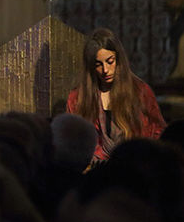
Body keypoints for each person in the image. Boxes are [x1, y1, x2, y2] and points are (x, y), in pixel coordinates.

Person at [66, 28, 167, 163]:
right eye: (98, 65)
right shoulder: (77, 98)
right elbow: (71, 141)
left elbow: (158, 133)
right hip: (94, 172)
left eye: (110, 61)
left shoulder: (139, 92)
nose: (105, 70)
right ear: (91, 67)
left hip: (135, 169)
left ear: (118, 59)